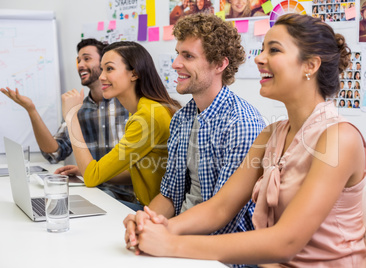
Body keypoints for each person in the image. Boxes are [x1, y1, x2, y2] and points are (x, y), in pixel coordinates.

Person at [124, 13, 366, 267]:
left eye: (274, 50)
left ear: (310, 66)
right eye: (262, 48)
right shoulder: (271, 134)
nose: (259, 58)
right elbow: (219, 208)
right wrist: (160, 226)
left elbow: (286, 242)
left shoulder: (340, 138)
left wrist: (170, 243)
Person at [124, 12, 266, 255]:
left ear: (220, 64)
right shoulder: (182, 118)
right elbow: (170, 193)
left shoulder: (241, 123)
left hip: (219, 252)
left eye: (188, 56)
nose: (176, 63)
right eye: (178, 53)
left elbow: (224, 217)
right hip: (180, 235)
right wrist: (144, 222)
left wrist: (164, 232)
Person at [1, 38, 132, 201]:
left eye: (87, 58)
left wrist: (90, 172)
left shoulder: (129, 105)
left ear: (104, 64)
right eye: (78, 60)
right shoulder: (80, 108)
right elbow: (54, 153)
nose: (80, 65)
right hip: (94, 192)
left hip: (127, 198)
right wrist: (31, 110)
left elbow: (141, 170)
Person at [59, 41, 181, 211]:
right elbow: (137, 171)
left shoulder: (148, 116)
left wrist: (71, 116)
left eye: (109, 69)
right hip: (147, 207)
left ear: (134, 74)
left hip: (155, 215)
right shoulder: (143, 110)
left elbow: (91, 177)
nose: (101, 76)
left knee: (73, 208)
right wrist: (86, 171)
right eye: (101, 69)